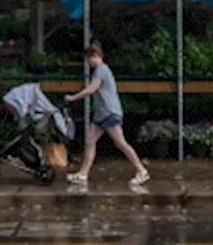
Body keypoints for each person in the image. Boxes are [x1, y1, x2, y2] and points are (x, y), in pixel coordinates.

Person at [64, 43, 150, 186]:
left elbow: (92, 89)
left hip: (109, 113)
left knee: (120, 143)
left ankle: (141, 170)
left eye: (88, 59)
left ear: (95, 56)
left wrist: (73, 97)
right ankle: (83, 174)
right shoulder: (100, 70)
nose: (88, 63)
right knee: (90, 141)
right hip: (101, 115)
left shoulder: (101, 70)